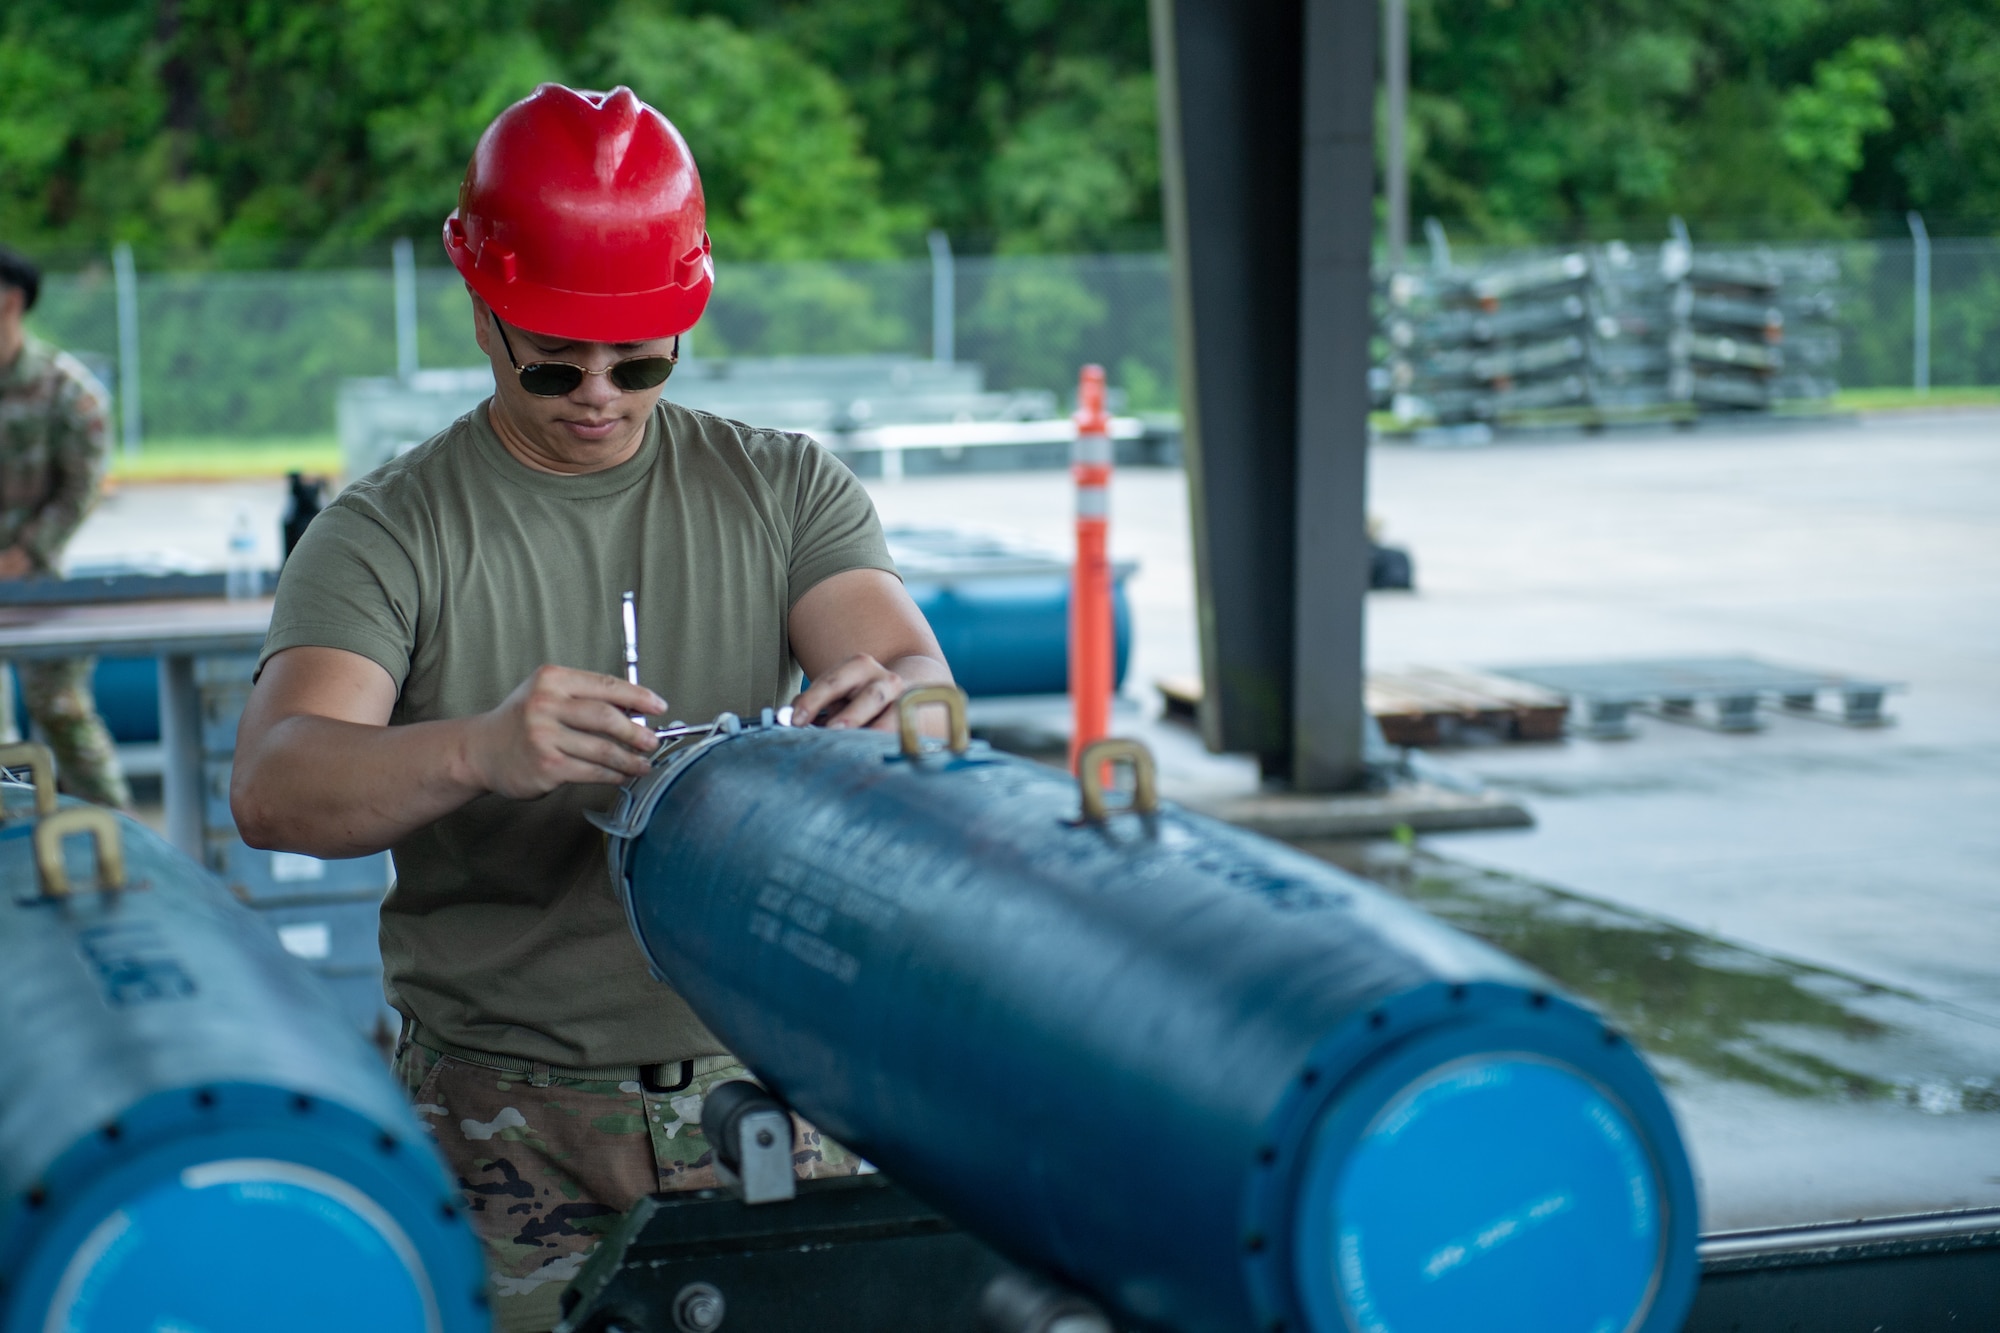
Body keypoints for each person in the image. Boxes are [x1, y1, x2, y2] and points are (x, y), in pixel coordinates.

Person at [230, 84, 952, 1332]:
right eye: (555, 358)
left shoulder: (782, 486)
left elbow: (923, 691)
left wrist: (889, 718)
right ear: (480, 303)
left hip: (779, 1094)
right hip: (509, 1127)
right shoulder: (390, 531)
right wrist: (477, 748)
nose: (600, 396)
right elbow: (278, 782)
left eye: (644, 359)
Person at [0, 246, 130, 810]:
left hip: (37, 581)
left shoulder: (65, 391)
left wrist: (23, 554)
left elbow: (81, 486)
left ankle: (122, 848)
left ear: (10, 302)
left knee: (64, 717)